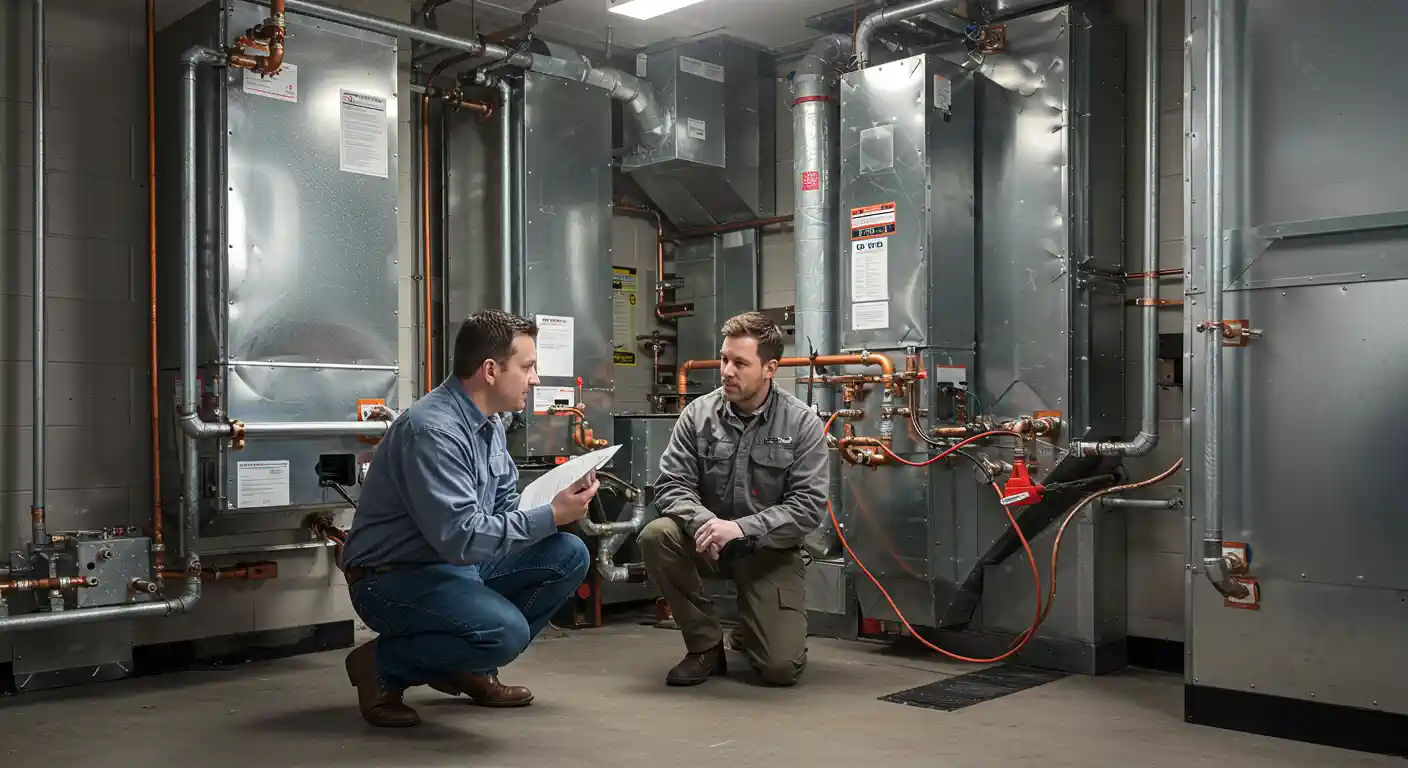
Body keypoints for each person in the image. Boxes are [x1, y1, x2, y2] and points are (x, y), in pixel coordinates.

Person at [339, 309, 599, 727]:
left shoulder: (490, 423)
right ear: (491, 370)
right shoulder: (433, 431)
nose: (535, 380)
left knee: (567, 553)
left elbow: (502, 508)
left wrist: (555, 500)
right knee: (504, 633)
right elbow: (459, 539)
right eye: (529, 367)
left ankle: (466, 664)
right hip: (393, 578)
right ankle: (382, 665)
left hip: (454, 566)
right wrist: (550, 514)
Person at [639, 311, 829, 688]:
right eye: (725, 358)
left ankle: (751, 627)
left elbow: (808, 506)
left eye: (740, 363)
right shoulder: (698, 414)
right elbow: (671, 484)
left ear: (770, 368)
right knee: (656, 535)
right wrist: (707, 525)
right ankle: (705, 647)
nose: (726, 370)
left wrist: (741, 529)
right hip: (706, 542)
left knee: (779, 670)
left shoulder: (801, 423)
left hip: (768, 551)